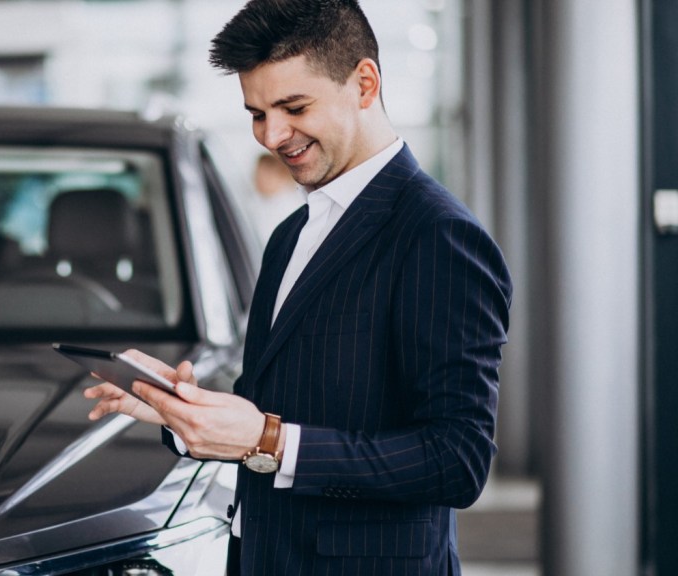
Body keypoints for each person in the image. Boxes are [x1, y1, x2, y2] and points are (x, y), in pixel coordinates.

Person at [85, 0, 512, 574]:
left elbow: (457, 461)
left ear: (364, 83)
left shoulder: (439, 236)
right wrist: (184, 413)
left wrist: (269, 441)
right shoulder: (292, 234)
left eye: (293, 106)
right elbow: (276, 410)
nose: (271, 135)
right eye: (257, 113)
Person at [249, 152, 303, 241]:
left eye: (267, 176)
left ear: (281, 176)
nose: (260, 180)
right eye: (258, 173)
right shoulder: (253, 202)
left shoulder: (290, 207)